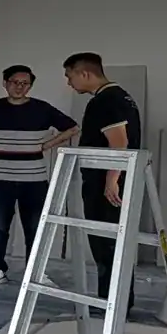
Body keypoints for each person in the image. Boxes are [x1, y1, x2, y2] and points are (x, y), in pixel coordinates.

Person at [0, 65, 78, 286]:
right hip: (0, 179)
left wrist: (45, 145)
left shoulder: (41, 109)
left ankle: (35, 273)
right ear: (5, 83)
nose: (19, 87)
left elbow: (73, 128)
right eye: (15, 82)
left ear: (30, 86)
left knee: (34, 228)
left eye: (25, 83)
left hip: (34, 180)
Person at [62, 52, 143, 309]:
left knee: (106, 244)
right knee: (111, 243)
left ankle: (113, 304)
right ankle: (115, 302)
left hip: (106, 185)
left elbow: (119, 143)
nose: (69, 83)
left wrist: (111, 180)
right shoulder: (121, 97)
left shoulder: (106, 100)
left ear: (85, 73)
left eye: (70, 76)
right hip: (112, 180)